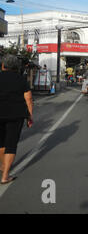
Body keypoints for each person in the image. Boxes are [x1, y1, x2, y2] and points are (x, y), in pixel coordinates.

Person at [0, 55, 33, 184]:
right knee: (11, 144)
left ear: (3, 65)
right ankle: (5, 176)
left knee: (1, 142)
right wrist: (30, 116)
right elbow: (29, 98)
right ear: (16, 67)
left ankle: (3, 166)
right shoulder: (21, 79)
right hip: (16, 115)